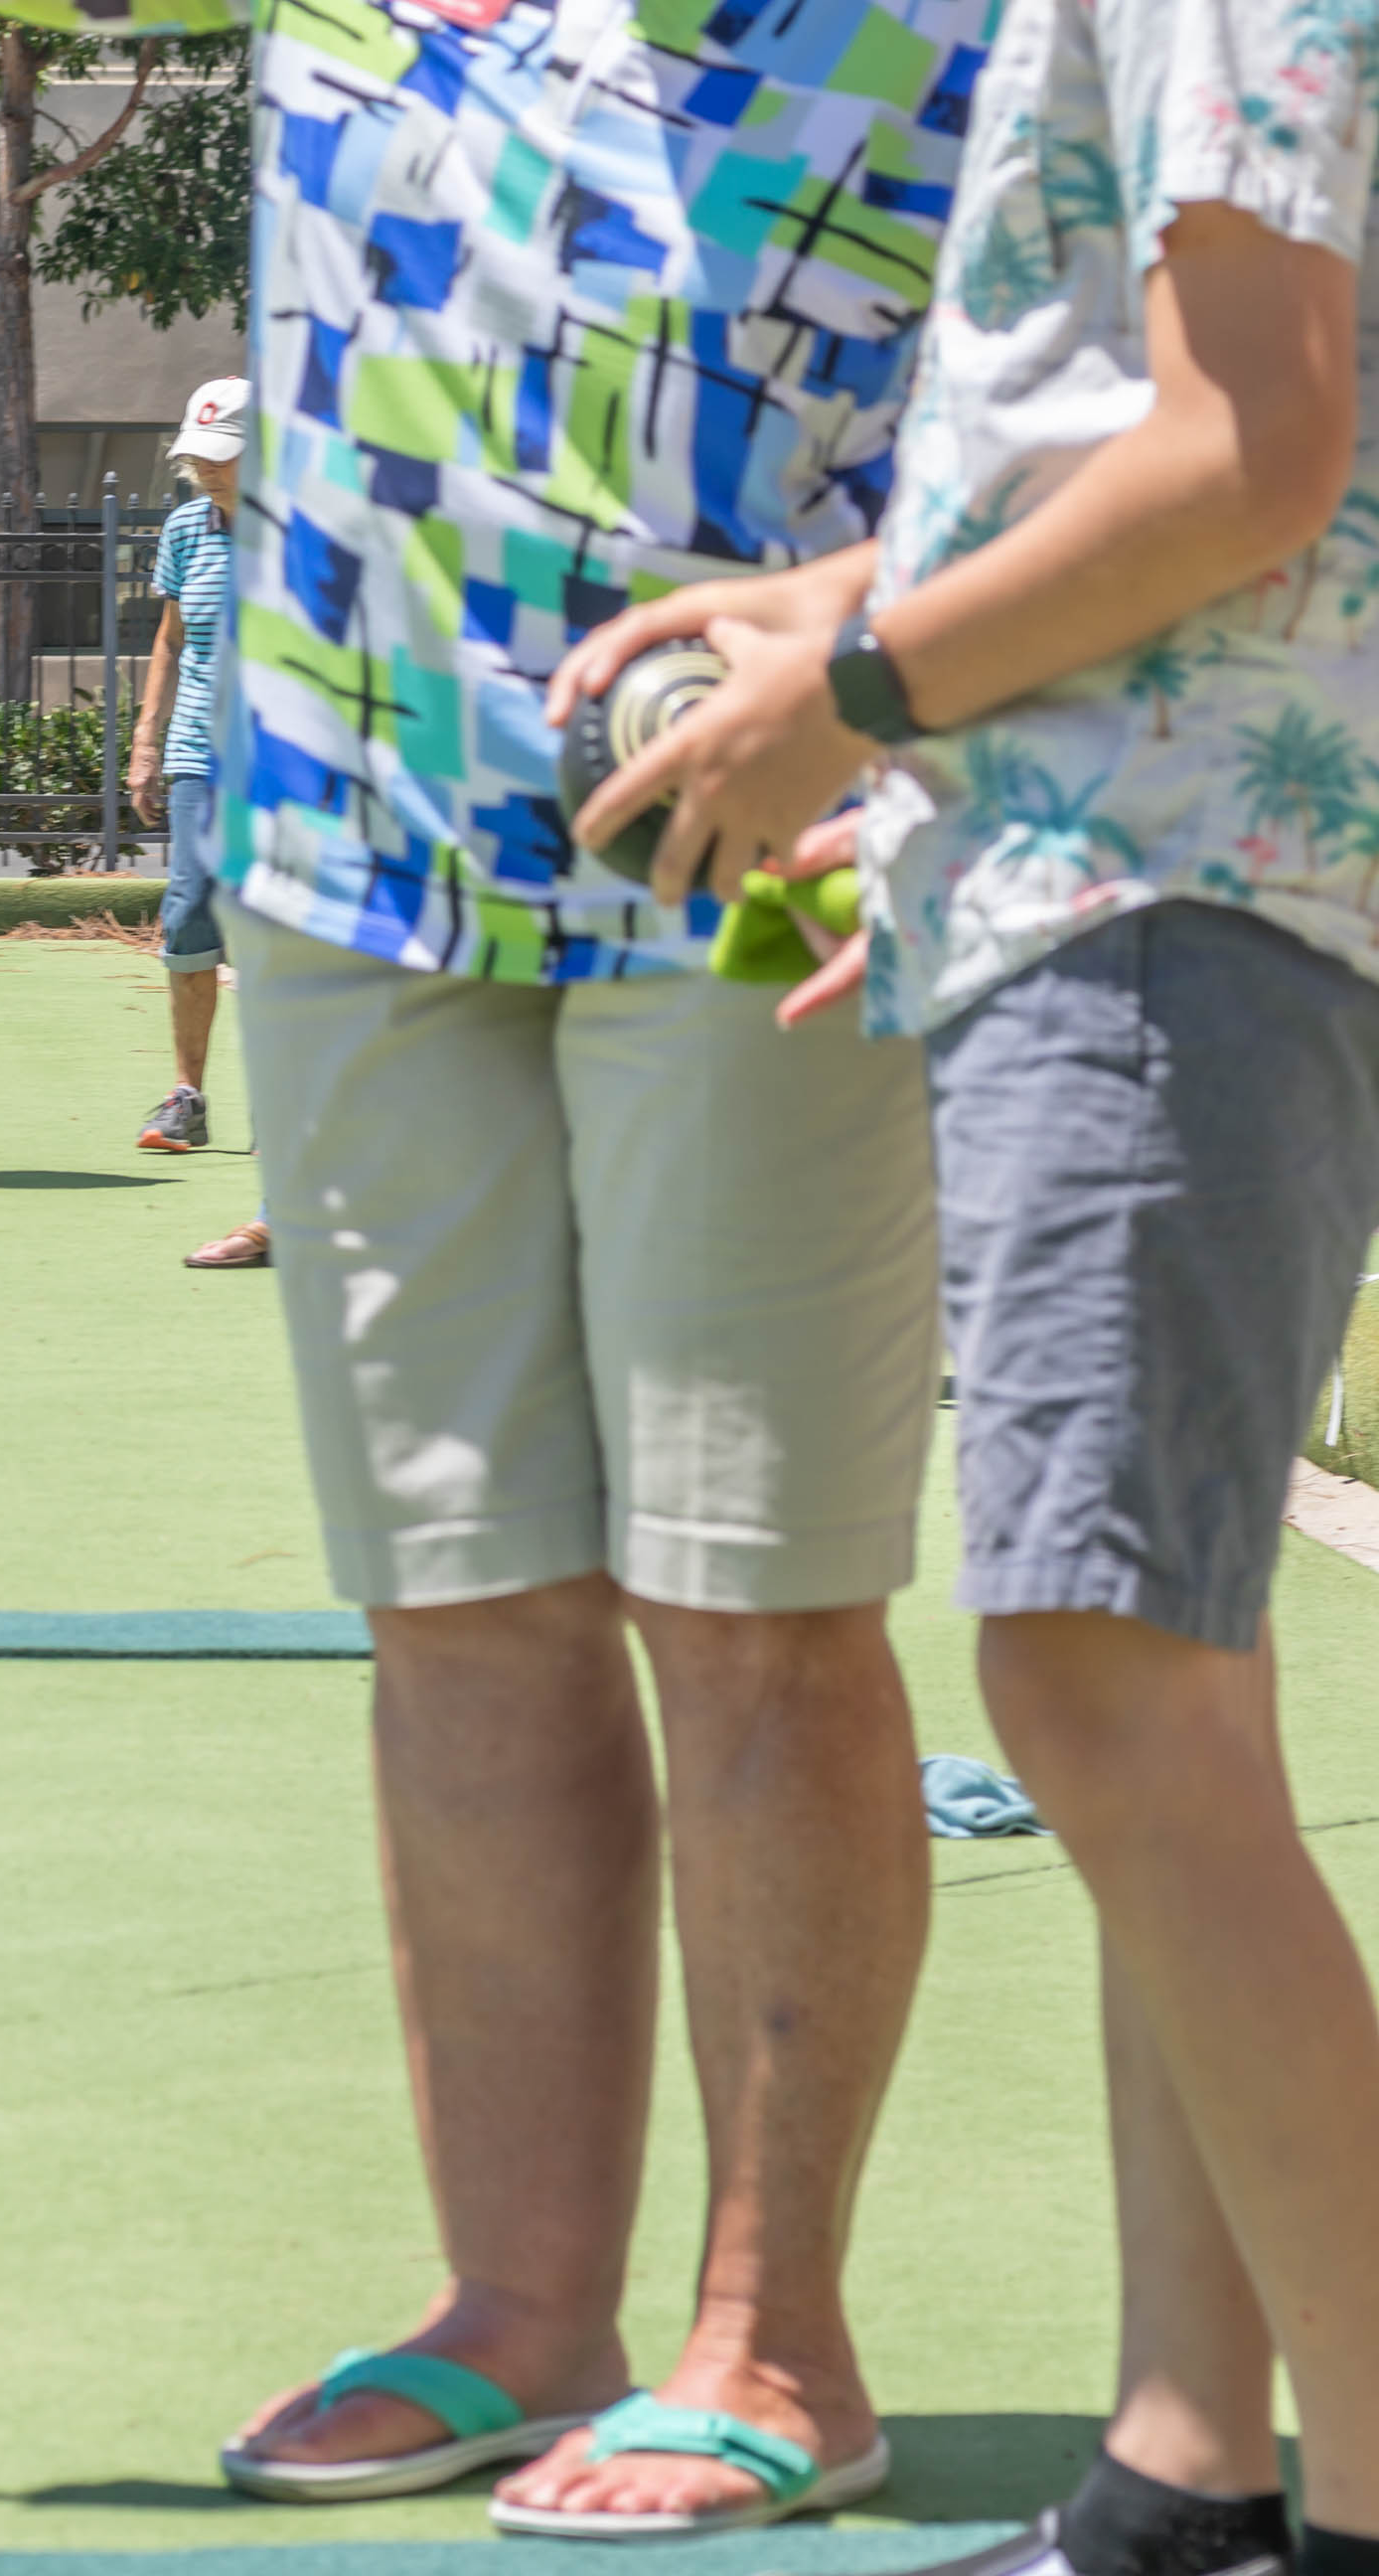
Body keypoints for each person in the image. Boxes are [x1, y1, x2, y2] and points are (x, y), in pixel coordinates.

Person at [0, 0, 983, 2535]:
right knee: (457, 1594)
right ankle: (520, 2312)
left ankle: (775, 2340)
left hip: (761, 828)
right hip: (345, 836)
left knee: (750, 1594)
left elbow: (1102, 399)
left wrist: (882, 656)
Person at [548, 2, 1379, 2569]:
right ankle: (1182, 2469)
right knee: (1172, 1683)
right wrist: (848, 627)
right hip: (1117, 870)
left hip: (1168, 891)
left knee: (1099, 1679)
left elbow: (1259, 447)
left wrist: (867, 698)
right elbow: (1156, 430)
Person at [129, 379, 269, 1269]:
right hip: (197, 756)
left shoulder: (302, 533)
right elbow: (172, 640)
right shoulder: (186, 529)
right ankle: (187, 1094)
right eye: (199, 460)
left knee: (272, 938)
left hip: (284, 766)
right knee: (187, 920)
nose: (207, 474)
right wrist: (146, 739)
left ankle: (279, 1106)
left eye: (222, 460)